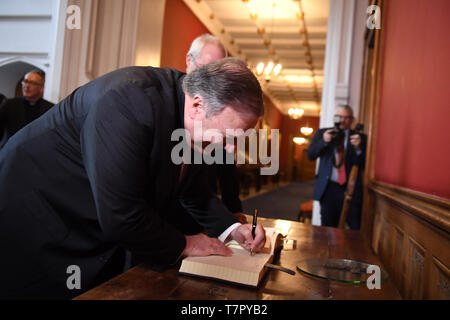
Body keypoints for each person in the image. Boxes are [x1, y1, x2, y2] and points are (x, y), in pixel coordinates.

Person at [0, 57, 266, 299]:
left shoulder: (192, 118)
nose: (230, 150)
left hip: (84, 206)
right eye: (230, 137)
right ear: (198, 105)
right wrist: (185, 243)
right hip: (35, 202)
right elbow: (120, 213)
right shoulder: (128, 101)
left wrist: (233, 228)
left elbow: (192, 190)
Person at [186, 34, 247, 224]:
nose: (209, 81)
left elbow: (226, 167)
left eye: (217, 74)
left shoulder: (221, 107)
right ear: (189, 60)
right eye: (205, 69)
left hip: (205, 207)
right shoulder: (165, 101)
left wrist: (234, 211)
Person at [307, 105, 366, 230]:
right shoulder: (323, 133)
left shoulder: (359, 138)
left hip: (350, 190)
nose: (343, 120)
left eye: (347, 117)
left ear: (352, 119)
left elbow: (364, 164)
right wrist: (324, 141)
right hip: (328, 189)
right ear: (336, 118)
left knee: (353, 229)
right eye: (340, 117)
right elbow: (310, 155)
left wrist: (358, 148)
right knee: (326, 230)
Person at [0, 69, 54, 147]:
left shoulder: (50, 109)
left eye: (32, 83)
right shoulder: (9, 104)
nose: (27, 86)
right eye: (25, 81)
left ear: (41, 88)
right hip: (10, 151)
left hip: (37, 152)